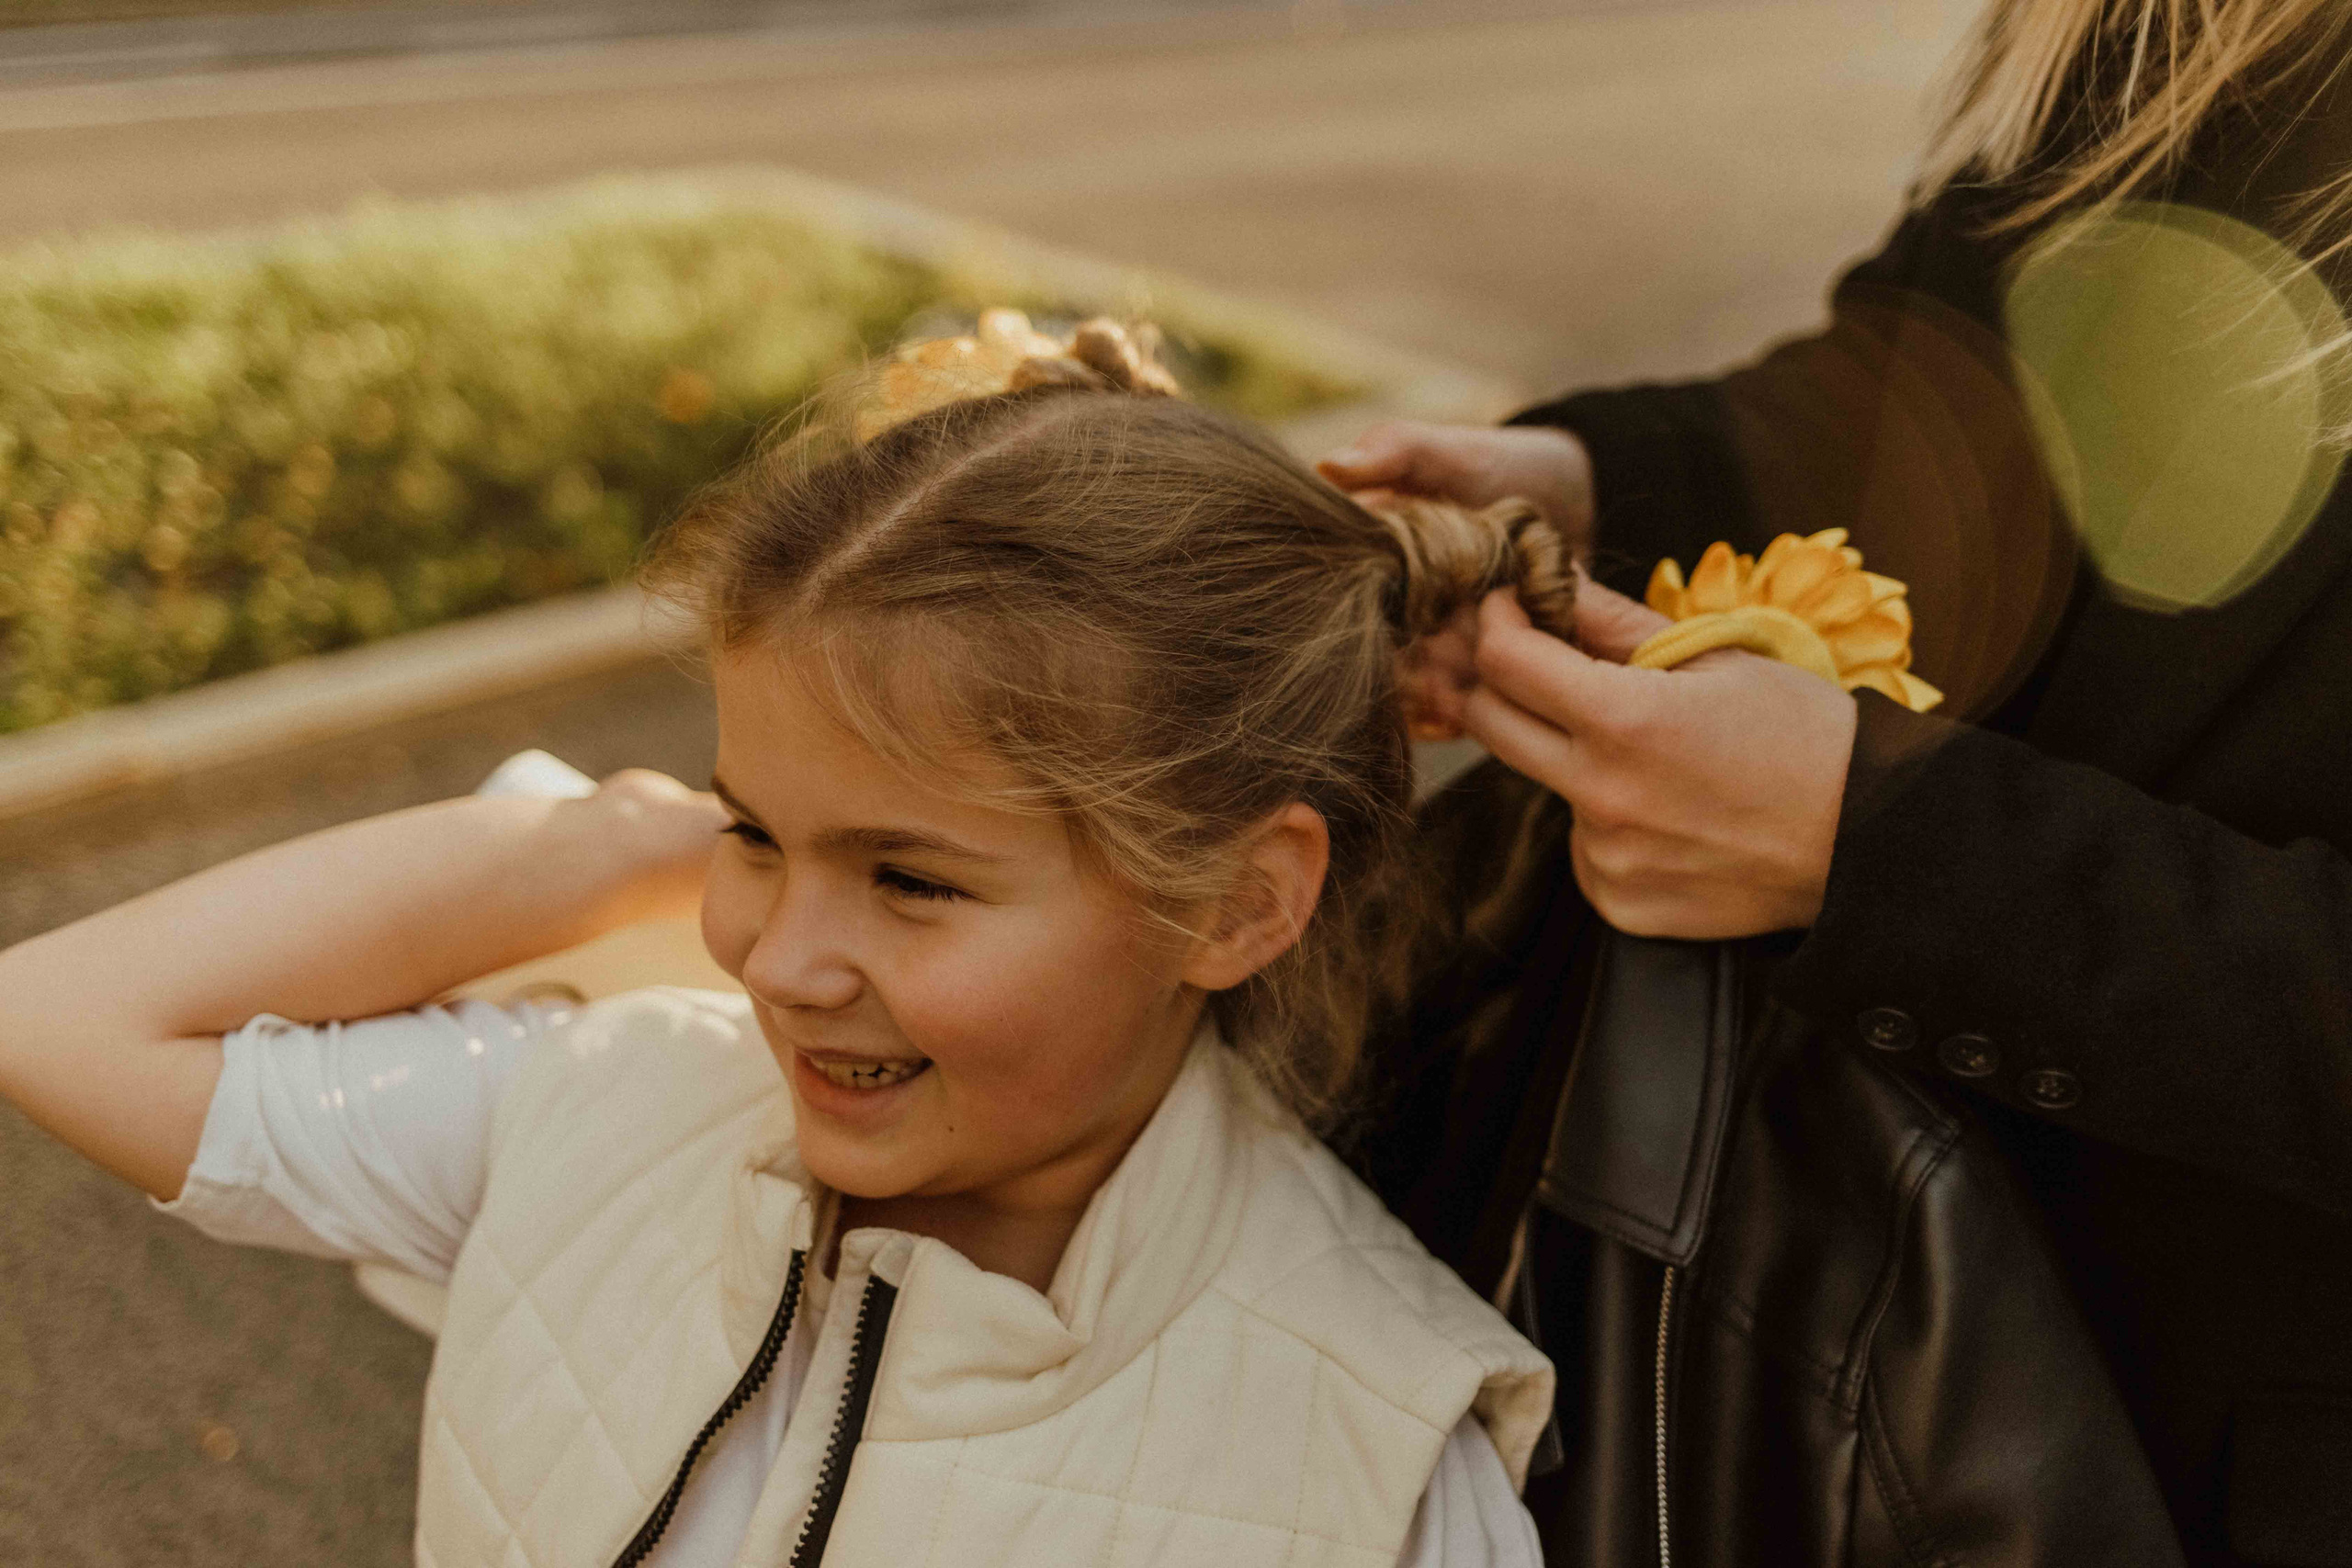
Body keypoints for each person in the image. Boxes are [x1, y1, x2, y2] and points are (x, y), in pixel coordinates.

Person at [0, 316, 1563, 1568]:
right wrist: (594, 848)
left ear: (1236, 900)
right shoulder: (602, 1110)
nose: (776, 961)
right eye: (754, 835)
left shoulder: (1378, 1475)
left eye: (912, 880)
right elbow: (57, 1017)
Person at [1321, 2, 2352, 1564]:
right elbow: (1961, 392)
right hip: (1844, 1363)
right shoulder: (2177, 28)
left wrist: (1893, 855)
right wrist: (1599, 487)